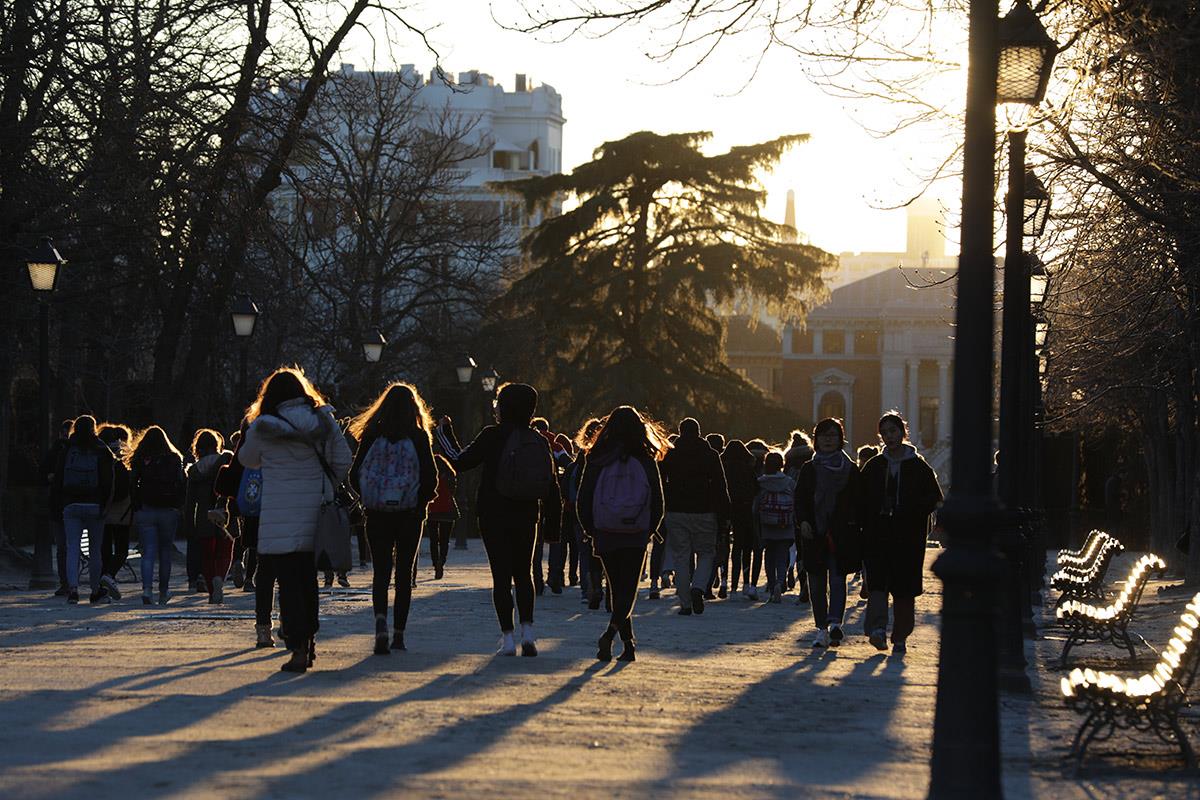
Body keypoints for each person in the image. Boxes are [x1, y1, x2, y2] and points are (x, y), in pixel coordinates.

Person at [239, 367, 353, 673]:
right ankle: (309, 641)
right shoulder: (323, 420)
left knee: (288, 585)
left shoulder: (263, 426)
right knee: (308, 582)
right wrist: (324, 485)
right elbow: (343, 460)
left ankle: (298, 648)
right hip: (314, 511)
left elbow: (246, 459)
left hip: (278, 515)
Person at [435, 382, 562, 656]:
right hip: (528, 514)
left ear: (502, 408)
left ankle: (507, 638)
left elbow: (459, 461)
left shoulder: (492, 435)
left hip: (494, 514)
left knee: (501, 578)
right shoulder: (538, 440)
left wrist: (444, 433)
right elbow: (551, 486)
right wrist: (554, 526)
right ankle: (528, 633)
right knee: (524, 575)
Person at [348, 382, 438, 655]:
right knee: (404, 575)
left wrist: (369, 498)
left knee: (381, 572)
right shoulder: (419, 436)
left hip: (377, 514)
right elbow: (430, 478)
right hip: (410, 515)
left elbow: (355, 474)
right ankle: (399, 634)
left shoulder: (373, 434)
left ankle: (380, 624)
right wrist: (419, 502)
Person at [576, 406, 666, 662]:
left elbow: (585, 495)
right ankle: (611, 635)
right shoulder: (645, 458)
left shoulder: (596, 457)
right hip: (635, 530)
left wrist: (589, 529)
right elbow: (658, 499)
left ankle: (628, 645)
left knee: (617, 587)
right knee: (628, 589)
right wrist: (650, 529)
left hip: (605, 529)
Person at [859, 412, 943, 655]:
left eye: (893, 431)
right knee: (877, 583)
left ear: (903, 432)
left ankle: (900, 636)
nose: (889, 437)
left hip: (908, 535)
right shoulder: (875, 465)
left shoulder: (919, 466)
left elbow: (935, 498)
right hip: (878, 533)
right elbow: (861, 497)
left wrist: (910, 510)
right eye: (884, 433)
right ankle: (876, 629)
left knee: (904, 588)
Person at [795, 418, 862, 647]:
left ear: (840, 439)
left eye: (833, 436)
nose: (828, 440)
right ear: (816, 439)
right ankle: (821, 627)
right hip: (814, 531)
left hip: (841, 532)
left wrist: (854, 525)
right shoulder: (809, 469)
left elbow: (858, 501)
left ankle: (835, 624)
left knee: (837, 579)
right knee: (815, 582)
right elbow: (800, 498)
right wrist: (803, 520)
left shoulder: (850, 469)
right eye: (824, 435)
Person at [659, 418, 730, 616]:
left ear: (680, 432)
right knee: (706, 553)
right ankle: (698, 587)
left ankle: (685, 603)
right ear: (699, 432)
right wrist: (724, 514)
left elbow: (660, 481)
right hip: (705, 510)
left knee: (681, 556)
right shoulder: (710, 455)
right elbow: (720, 486)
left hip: (676, 510)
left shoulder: (670, 454)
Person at [54, 416, 115, 604]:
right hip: (95, 504)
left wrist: (60, 503)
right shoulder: (102, 450)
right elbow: (108, 481)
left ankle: (72, 589)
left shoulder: (66, 449)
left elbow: (58, 478)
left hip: (71, 504)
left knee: (72, 547)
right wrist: (106, 504)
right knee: (95, 550)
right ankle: (95, 589)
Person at [128, 425, 186, 605]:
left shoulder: (140, 458)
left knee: (148, 552)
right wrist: (178, 505)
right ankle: (164, 590)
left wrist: (137, 505)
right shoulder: (174, 459)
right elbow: (181, 483)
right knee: (165, 552)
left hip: (146, 508)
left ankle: (147, 589)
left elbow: (132, 484)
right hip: (168, 509)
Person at [183, 429, 234, 603]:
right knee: (224, 552)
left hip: (204, 518)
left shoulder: (195, 471)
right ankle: (220, 577)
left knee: (207, 556)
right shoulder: (227, 460)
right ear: (216, 444)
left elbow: (190, 503)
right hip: (225, 514)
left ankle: (212, 590)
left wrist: (189, 524)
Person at [752, 451, 797, 604]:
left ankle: (772, 589)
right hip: (785, 525)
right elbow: (796, 503)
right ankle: (780, 581)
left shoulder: (761, 482)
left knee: (769, 557)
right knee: (782, 557)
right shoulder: (789, 482)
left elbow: (755, 506)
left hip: (766, 525)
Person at [97, 423, 133, 602]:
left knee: (103, 550)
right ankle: (109, 576)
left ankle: (102, 586)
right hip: (122, 510)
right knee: (121, 550)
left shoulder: (98, 455)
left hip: (102, 509)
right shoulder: (125, 456)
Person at [721, 439, 759, 599]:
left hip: (728, 510)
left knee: (728, 548)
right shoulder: (748, 468)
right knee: (746, 548)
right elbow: (755, 488)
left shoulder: (724, 468)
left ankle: (728, 583)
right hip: (746, 510)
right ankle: (746, 582)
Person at [43, 418, 75, 595]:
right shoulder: (81, 450)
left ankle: (67, 583)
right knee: (70, 546)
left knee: (63, 547)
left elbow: (43, 474)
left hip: (59, 504)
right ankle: (71, 582)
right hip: (75, 502)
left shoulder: (55, 451)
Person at [424, 453, 458, 580]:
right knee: (444, 540)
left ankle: (435, 562)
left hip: (432, 510)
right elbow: (453, 489)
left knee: (433, 540)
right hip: (447, 511)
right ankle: (442, 560)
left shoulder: (430, 474)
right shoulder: (449, 474)